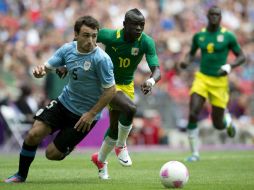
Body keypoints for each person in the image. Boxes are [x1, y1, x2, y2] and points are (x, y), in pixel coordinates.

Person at [4, 15, 116, 183]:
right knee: (33, 134)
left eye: (94, 36)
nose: (91, 40)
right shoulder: (67, 49)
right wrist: (41, 71)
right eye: (86, 35)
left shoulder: (101, 59)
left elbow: (111, 91)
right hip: (64, 103)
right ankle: (20, 175)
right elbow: (48, 67)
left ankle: (67, 147)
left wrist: (91, 114)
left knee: (51, 154)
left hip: (85, 116)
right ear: (76, 34)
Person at [91, 8, 161, 179]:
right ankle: (121, 146)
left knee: (114, 129)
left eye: (141, 25)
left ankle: (100, 160)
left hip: (127, 85)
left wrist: (151, 81)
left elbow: (157, 70)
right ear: (124, 25)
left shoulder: (146, 42)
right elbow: (82, 39)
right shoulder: (109, 36)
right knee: (130, 109)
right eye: (135, 25)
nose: (138, 28)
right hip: (107, 84)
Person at [179, 5, 246, 162]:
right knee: (193, 111)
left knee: (217, 124)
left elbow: (241, 56)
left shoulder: (228, 36)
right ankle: (195, 153)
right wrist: (185, 62)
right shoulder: (200, 36)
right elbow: (190, 54)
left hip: (220, 81)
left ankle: (227, 121)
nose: (215, 17)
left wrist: (229, 66)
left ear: (220, 17)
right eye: (212, 14)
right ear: (207, 16)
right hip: (202, 78)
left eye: (218, 15)